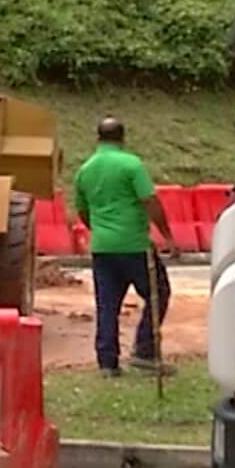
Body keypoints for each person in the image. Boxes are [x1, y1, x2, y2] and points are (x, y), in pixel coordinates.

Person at [72, 116, 178, 376]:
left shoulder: (85, 169)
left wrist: (100, 230)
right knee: (158, 293)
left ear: (97, 137)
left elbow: (82, 211)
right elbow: (149, 200)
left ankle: (107, 363)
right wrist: (167, 236)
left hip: (103, 248)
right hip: (134, 245)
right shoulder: (131, 165)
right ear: (122, 138)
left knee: (107, 305)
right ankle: (145, 352)